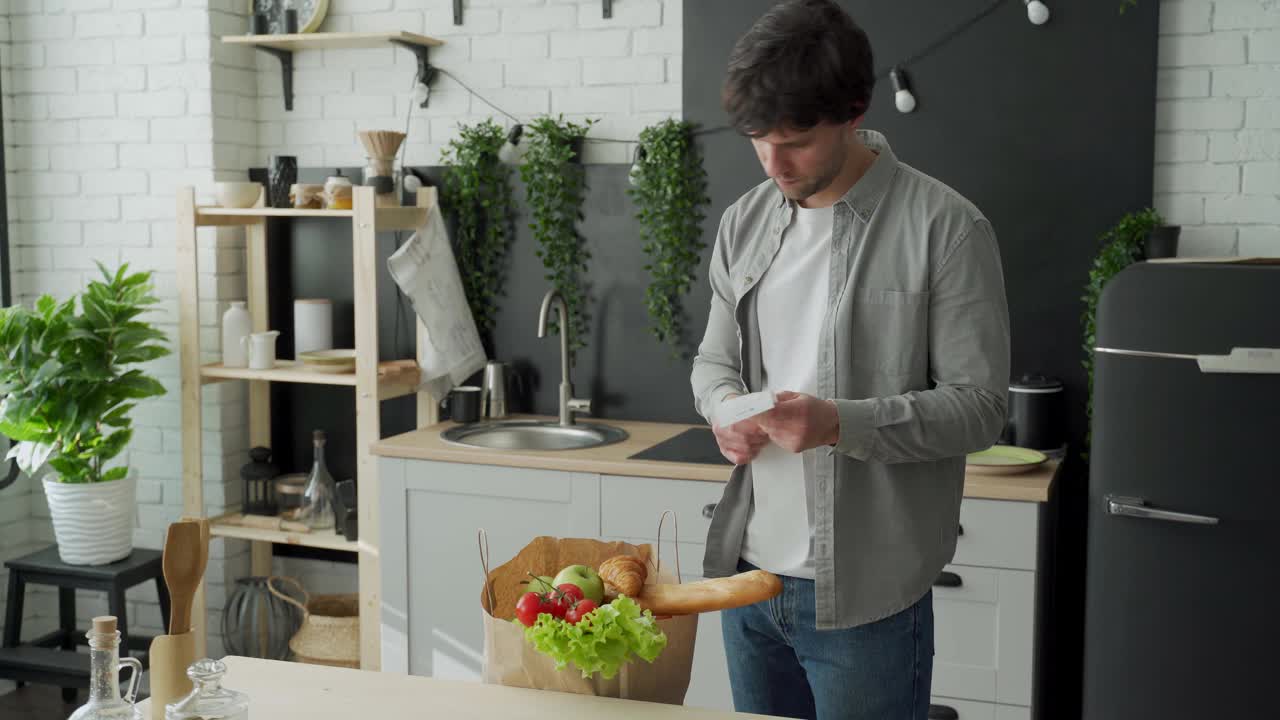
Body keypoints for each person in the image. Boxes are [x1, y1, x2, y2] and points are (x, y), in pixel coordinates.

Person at [690, 1, 1011, 718]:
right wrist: (720, 410)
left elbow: (982, 408)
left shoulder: (947, 227)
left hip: (866, 599)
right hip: (747, 580)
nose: (774, 163)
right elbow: (712, 361)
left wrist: (839, 423)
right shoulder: (744, 222)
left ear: (855, 109)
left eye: (796, 140)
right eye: (756, 139)